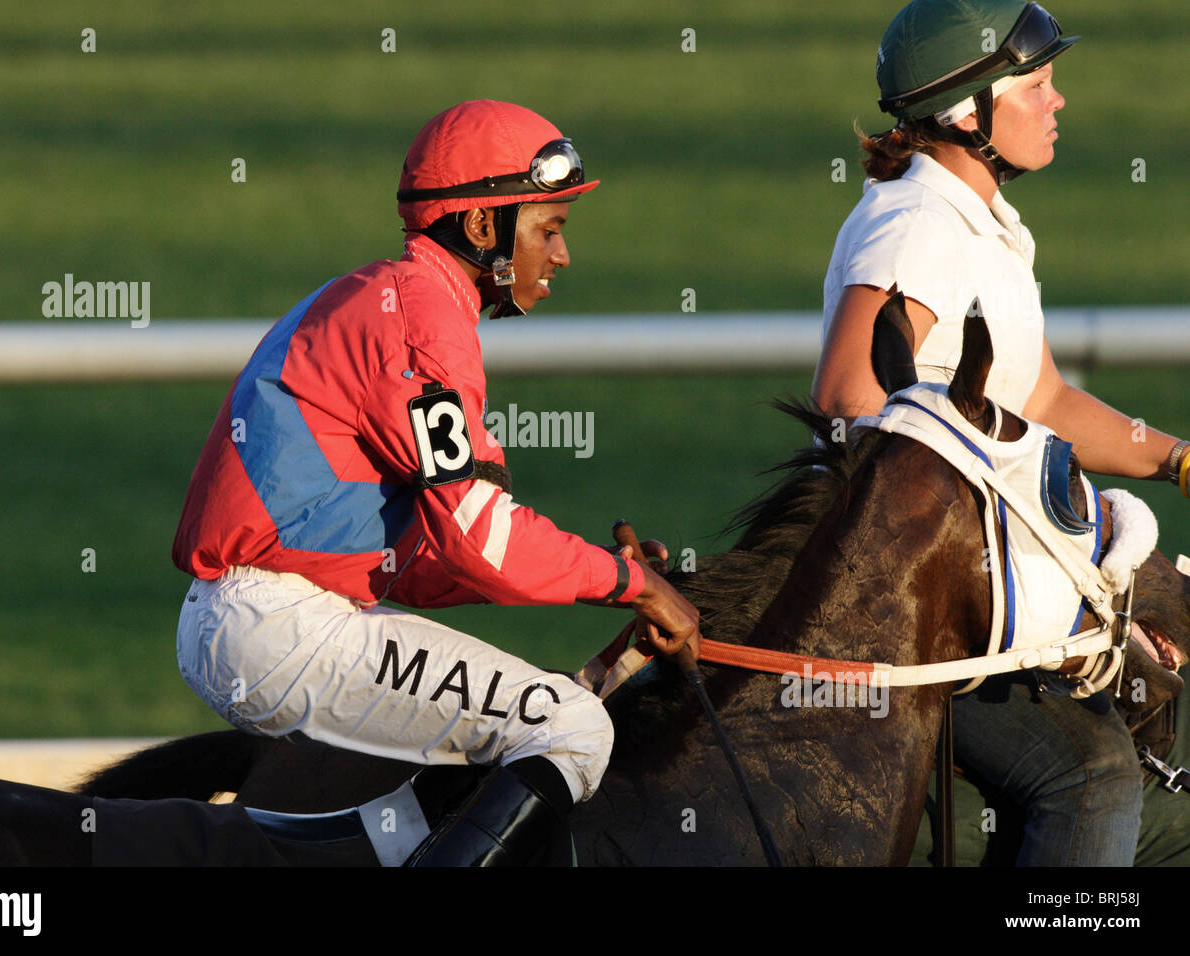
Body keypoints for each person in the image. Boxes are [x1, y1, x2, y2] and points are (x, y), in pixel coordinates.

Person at [170, 99, 702, 866]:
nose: (561, 256)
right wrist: (629, 582)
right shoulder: (422, 319)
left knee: (553, 718)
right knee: (576, 732)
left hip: (262, 617)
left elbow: (434, 557)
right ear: (484, 228)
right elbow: (481, 536)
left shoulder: (398, 299)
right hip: (275, 624)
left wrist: (601, 657)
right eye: (548, 230)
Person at [812, 0, 1190, 865]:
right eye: (1040, 84)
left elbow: (1047, 400)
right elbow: (846, 392)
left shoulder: (985, 230)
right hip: (911, 600)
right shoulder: (918, 224)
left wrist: (1175, 457)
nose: (1059, 102)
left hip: (979, 581)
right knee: (1088, 771)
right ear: (964, 111)